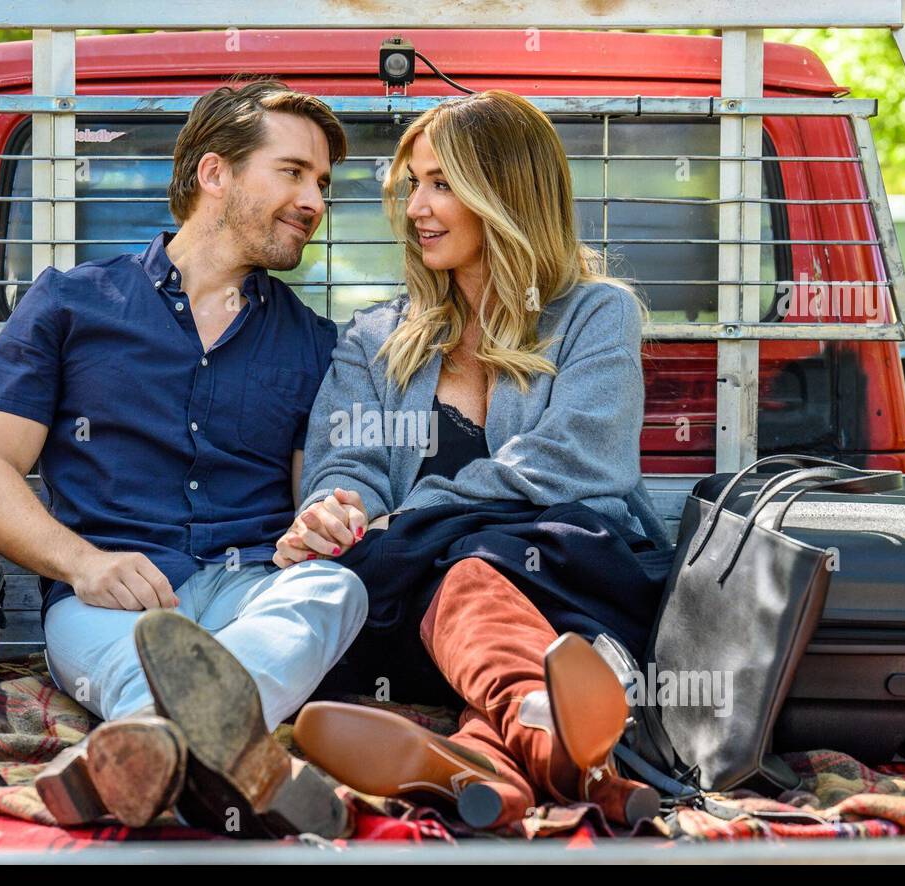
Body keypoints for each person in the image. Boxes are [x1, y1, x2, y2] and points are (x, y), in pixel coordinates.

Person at [0, 78, 367, 838]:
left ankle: (142, 748)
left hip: (252, 595)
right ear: (215, 173)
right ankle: (245, 764)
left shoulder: (315, 343)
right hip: (109, 603)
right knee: (148, 661)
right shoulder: (68, 304)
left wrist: (321, 523)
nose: (314, 201)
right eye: (293, 172)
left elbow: (314, 495)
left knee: (336, 589)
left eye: (323, 184)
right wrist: (83, 564)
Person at [276, 90, 669, 830]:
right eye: (413, 185)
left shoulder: (594, 313)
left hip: (564, 587)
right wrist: (338, 513)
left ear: (506, 194)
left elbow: (577, 461)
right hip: (416, 611)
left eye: (442, 184)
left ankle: (484, 770)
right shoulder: (374, 338)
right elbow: (347, 463)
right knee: (457, 577)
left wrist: (410, 519)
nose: (416, 208)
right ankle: (570, 752)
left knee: (472, 568)